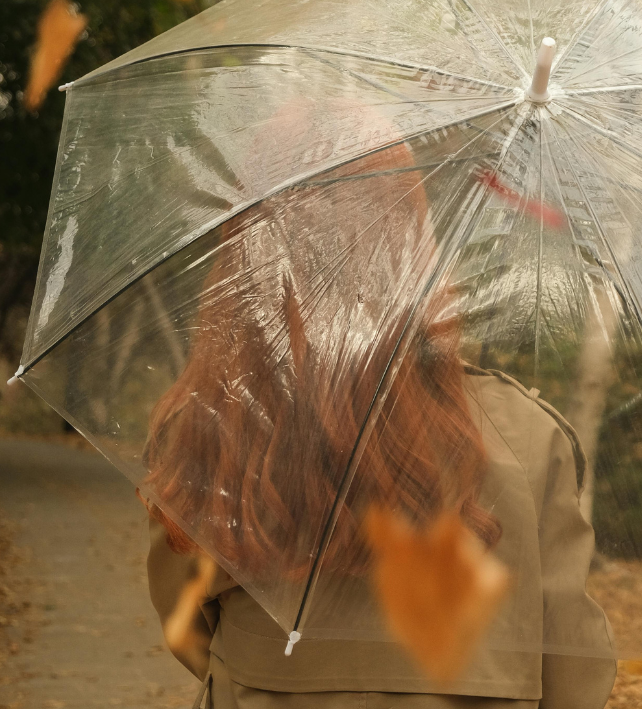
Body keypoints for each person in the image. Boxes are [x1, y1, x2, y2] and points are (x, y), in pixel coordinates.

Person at [141, 109, 616, 709]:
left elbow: (188, 631)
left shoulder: (214, 424)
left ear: (249, 252)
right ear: (412, 238)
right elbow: (576, 668)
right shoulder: (526, 435)